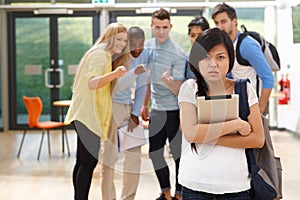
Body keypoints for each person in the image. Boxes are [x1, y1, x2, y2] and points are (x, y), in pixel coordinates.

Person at [178, 27, 265, 199]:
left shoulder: (244, 89)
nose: (213, 64)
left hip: (236, 186)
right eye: (206, 57)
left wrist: (207, 137)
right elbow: (190, 133)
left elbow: (257, 139)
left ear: (229, 59)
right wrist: (235, 125)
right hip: (195, 184)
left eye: (220, 57)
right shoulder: (189, 88)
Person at [64, 22, 130, 200]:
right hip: (87, 117)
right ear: (109, 37)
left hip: (85, 115)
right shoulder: (100, 55)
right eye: (119, 39)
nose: (122, 44)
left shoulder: (101, 53)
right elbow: (92, 83)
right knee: (88, 163)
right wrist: (115, 74)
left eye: (125, 40)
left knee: (83, 163)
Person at [141, 8, 186, 200]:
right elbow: (147, 79)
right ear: (152, 26)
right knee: (155, 153)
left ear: (170, 27)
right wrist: (144, 105)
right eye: (157, 27)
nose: (160, 31)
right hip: (157, 110)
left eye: (164, 27)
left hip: (174, 111)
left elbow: (180, 89)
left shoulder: (177, 53)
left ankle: (179, 194)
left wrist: (169, 82)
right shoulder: (148, 47)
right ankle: (166, 192)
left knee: (178, 156)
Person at [100, 26, 148, 200]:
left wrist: (135, 113)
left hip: (129, 108)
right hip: (112, 107)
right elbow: (117, 85)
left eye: (141, 44)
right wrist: (135, 72)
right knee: (109, 157)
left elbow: (142, 87)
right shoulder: (119, 58)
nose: (137, 48)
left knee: (134, 156)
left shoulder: (142, 57)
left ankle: (128, 197)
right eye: (133, 44)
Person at [211, 2, 274, 115]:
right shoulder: (226, 45)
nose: (219, 26)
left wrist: (260, 109)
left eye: (223, 21)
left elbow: (268, 77)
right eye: (216, 23)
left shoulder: (247, 45)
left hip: (255, 105)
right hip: (240, 105)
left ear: (234, 21)